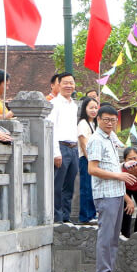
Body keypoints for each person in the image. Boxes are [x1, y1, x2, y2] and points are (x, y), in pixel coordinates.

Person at [87, 105, 137, 272]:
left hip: (116, 192)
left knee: (114, 236)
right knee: (106, 236)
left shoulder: (110, 139)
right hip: (105, 194)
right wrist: (119, 175)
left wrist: (125, 167)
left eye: (113, 120)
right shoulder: (96, 140)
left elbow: (111, 167)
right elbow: (92, 169)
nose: (109, 123)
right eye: (106, 119)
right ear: (98, 119)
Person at [47, 72, 80, 223]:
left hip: (73, 148)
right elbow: (51, 129)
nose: (68, 86)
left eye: (71, 83)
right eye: (65, 83)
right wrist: (56, 153)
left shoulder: (74, 105)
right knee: (57, 186)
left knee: (69, 186)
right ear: (58, 85)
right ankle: (57, 218)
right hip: (61, 147)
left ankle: (66, 218)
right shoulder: (54, 104)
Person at [77, 96, 99, 224]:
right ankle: (85, 216)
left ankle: (92, 214)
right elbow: (83, 142)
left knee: (92, 188)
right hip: (86, 159)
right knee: (86, 188)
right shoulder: (83, 123)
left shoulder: (94, 124)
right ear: (85, 109)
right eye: (91, 108)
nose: (94, 110)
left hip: (92, 160)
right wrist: (89, 159)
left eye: (96, 108)